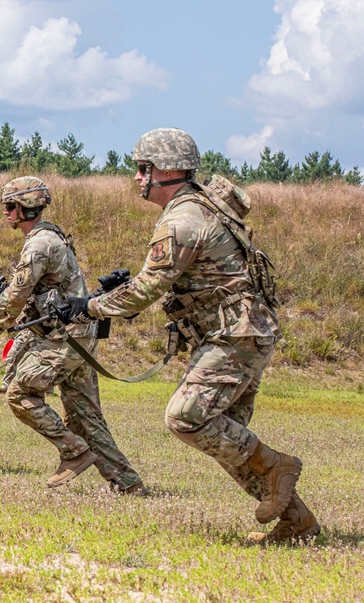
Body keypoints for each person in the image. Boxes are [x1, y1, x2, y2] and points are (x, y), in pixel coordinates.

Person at [65, 128, 317, 542]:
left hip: (235, 334)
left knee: (185, 418)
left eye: (141, 169)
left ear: (164, 170)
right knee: (227, 440)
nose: (136, 178)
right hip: (243, 331)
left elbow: (147, 288)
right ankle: (298, 522)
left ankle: (278, 467)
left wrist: (88, 307)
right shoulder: (197, 207)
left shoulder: (182, 219)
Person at [0, 177, 144, 492]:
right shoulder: (48, 237)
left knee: (20, 394)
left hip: (66, 339)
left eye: (10, 206)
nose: (6, 213)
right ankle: (128, 483)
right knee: (86, 416)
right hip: (77, 334)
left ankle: (74, 452)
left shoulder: (38, 244)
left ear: (25, 207)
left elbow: (17, 294)